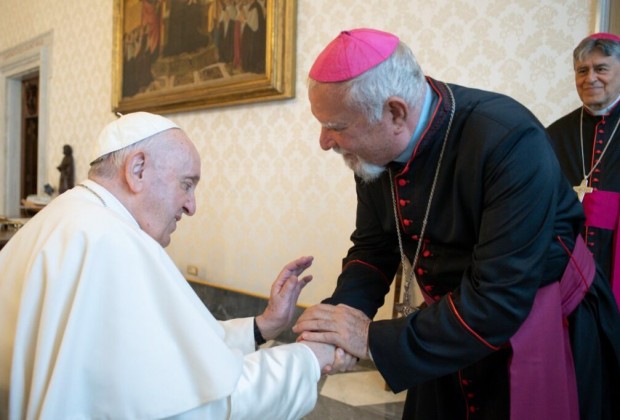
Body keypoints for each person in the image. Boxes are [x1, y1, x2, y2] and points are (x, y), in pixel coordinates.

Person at [292, 28, 620, 420]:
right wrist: (334, 325)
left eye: (337, 126)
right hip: (444, 327)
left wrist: (370, 340)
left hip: (541, 322)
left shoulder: (507, 138)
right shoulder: (376, 147)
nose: (324, 141)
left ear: (395, 112)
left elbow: (499, 297)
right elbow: (373, 247)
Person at [0, 112, 351, 419]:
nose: (191, 206)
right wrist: (308, 358)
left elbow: (177, 352)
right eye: (187, 184)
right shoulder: (112, 243)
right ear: (137, 169)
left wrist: (262, 327)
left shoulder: (64, 217)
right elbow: (200, 405)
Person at [547, 32, 620, 308]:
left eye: (601, 68)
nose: (590, 78)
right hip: (567, 262)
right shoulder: (554, 133)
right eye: (582, 70)